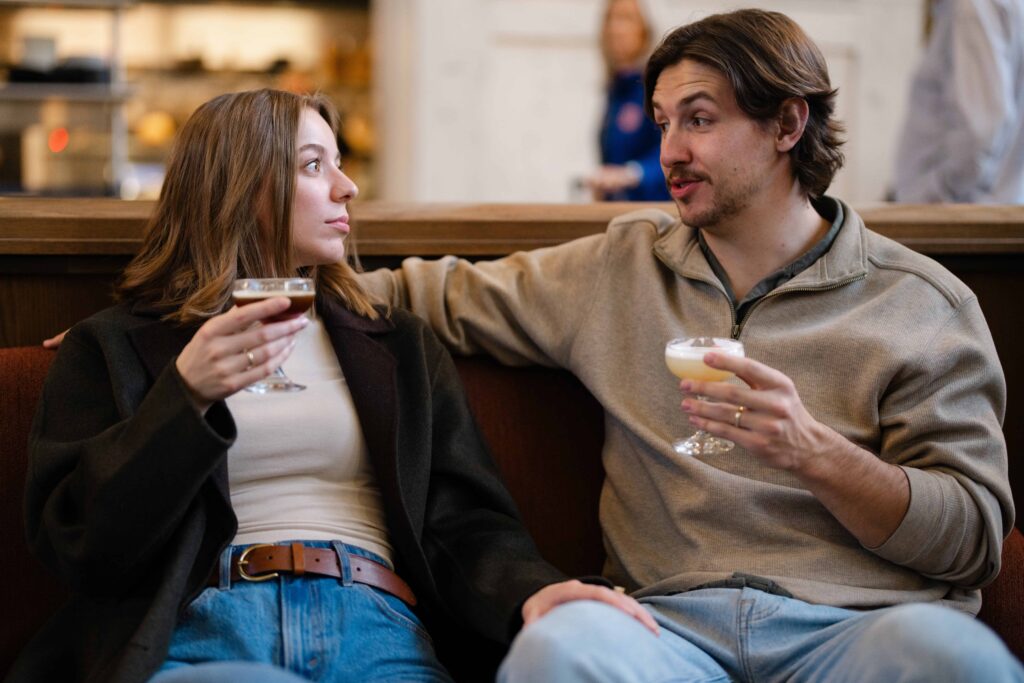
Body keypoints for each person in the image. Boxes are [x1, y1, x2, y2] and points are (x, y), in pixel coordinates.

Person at [358, 9, 1024, 682]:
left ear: (787, 125)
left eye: (699, 120)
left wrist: (815, 453)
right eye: (662, 123)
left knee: (957, 661)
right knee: (555, 649)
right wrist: (297, 281)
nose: (669, 151)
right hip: (664, 633)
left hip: (856, 631)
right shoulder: (620, 267)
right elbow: (421, 293)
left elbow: (972, 540)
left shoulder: (921, 305)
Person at [10, 89, 654, 683]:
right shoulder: (113, 346)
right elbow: (79, 542)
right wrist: (186, 397)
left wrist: (531, 591)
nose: (347, 187)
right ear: (240, 186)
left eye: (339, 164)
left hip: (376, 626)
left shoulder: (397, 344)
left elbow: (463, 522)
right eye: (314, 165)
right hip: (204, 627)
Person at [891, 0, 1024, 203]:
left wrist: (934, 194)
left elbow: (979, 132)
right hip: (984, 203)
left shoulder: (973, 8)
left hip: (954, 209)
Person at [585, 0, 670, 201]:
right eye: (610, 19)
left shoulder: (656, 86)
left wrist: (631, 174)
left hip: (655, 210)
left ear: (645, 30)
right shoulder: (615, 91)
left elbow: (674, 153)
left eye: (626, 18)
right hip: (620, 211)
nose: (615, 28)